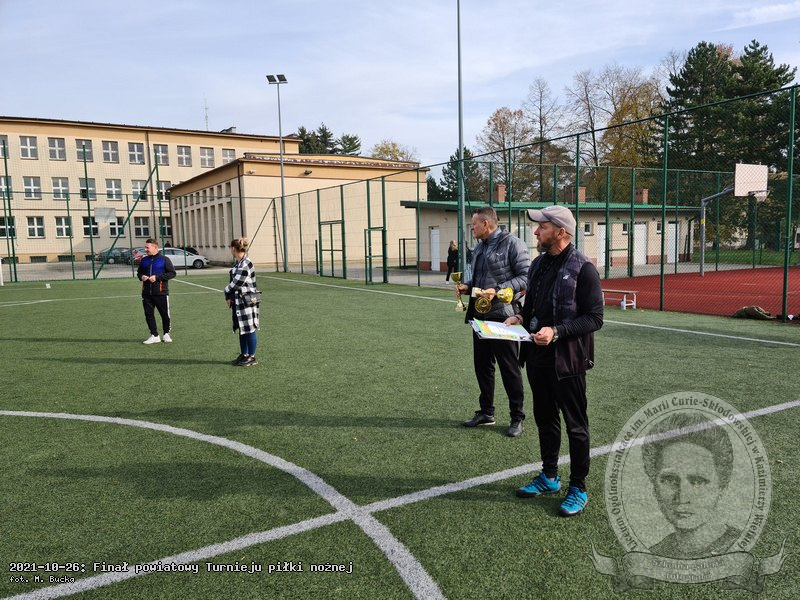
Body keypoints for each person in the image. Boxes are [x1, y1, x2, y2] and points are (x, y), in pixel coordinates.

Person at [507, 205, 603, 516]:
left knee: (576, 426)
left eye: (543, 227)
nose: (536, 232)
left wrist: (557, 331)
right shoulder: (538, 264)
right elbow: (532, 307)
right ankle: (549, 476)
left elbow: (595, 318)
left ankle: (578, 487)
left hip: (568, 362)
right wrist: (520, 317)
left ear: (561, 232)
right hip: (537, 357)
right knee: (545, 419)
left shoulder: (583, 268)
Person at [457, 207, 530, 437]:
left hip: (503, 317)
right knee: (483, 366)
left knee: (509, 369)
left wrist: (498, 290)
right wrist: (467, 286)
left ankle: (517, 417)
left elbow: (525, 277)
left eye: (474, 224)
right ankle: (486, 412)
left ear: (486, 224)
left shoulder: (513, 244)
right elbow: (480, 280)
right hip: (479, 316)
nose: (472, 228)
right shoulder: (480, 247)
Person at [642, 413, 741, 559]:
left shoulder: (739, 547)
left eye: (697, 482)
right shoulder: (652, 554)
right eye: (669, 480)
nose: (682, 497)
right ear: (654, 487)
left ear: (722, 487)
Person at [224, 238, 260, 367]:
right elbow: (232, 281)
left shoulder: (246, 263)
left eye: (230, 248)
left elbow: (236, 283)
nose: (230, 250)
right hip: (239, 301)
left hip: (247, 301)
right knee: (242, 328)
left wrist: (226, 291)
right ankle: (244, 354)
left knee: (249, 328)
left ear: (234, 249)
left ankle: (252, 356)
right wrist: (229, 297)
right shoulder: (238, 263)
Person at [137, 238, 176, 344]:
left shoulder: (164, 259)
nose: (145, 249)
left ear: (155, 247)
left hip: (161, 292)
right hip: (146, 293)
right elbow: (139, 273)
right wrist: (142, 277)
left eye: (147, 247)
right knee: (149, 314)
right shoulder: (144, 260)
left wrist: (157, 277)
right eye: (145, 247)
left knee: (164, 314)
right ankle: (154, 335)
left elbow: (172, 273)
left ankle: (166, 334)